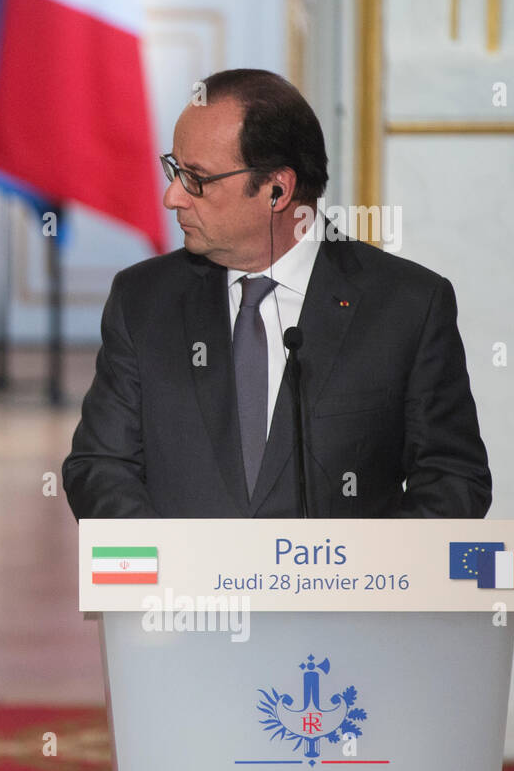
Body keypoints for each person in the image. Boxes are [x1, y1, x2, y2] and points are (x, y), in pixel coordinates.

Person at [63, 68, 490, 520]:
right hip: (186, 590)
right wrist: (173, 569)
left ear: (277, 190)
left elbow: (453, 478)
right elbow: (100, 466)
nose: (172, 197)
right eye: (175, 170)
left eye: (196, 178)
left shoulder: (408, 306)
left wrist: (367, 578)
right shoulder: (143, 300)